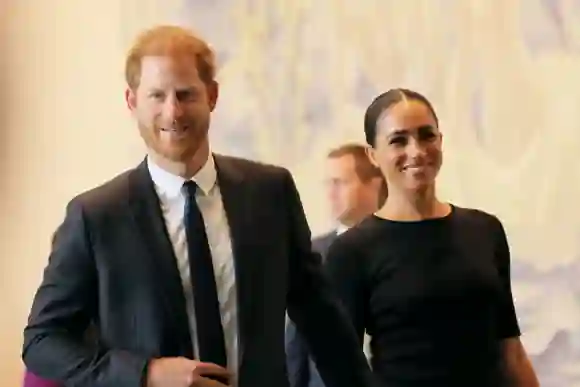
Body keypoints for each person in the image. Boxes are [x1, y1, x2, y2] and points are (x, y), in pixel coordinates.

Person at [21, 25, 375, 387]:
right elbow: (42, 341)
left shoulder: (270, 193)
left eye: (186, 94)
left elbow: (322, 319)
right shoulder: (95, 217)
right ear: (132, 102)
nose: (172, 112)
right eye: (156, 95)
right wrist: (146, 374)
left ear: (212, 96)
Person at [324, 88, 540, 387]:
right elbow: (344, 372)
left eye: (426, 136)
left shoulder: (485, 230)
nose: (417, 150)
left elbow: (511, 351)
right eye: (399, 140)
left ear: (440, 141)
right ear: (373, 155)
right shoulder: (352, 251)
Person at [286, 143, 386, 387]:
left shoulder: (403, 247)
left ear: (374, 184)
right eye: (328, 184)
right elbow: (298, 342)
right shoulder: (312, 252)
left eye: (340, 183)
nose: (331, 194)